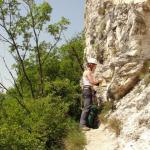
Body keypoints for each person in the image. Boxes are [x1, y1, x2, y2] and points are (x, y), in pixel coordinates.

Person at [80, 58, 102, 131]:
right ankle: (82, 125)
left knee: (88, 107)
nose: (95, 67)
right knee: (87, 108)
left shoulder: (87, 72)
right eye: (94, 65)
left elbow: (92, 83)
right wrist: (100, 81)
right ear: (91, 65)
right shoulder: (88, 72)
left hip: (88, 90)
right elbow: (92, 82)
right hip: (87, 90)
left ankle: (89, 124)